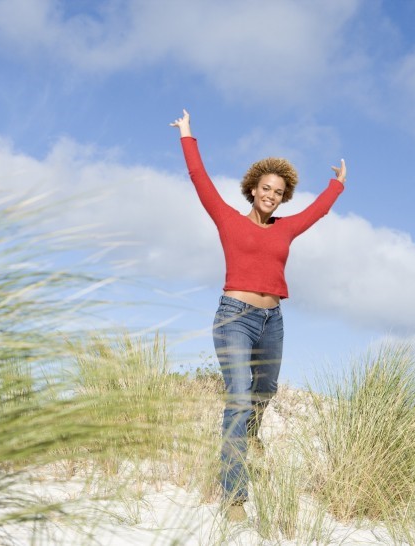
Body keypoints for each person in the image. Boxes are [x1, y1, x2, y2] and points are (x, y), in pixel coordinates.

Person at [170, 109, 346, 521]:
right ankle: (234, 497)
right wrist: (187, 135)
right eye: (265, 187)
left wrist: (336, 186)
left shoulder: (285, 228)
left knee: (264, 391)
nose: (270, 194)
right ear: (253, 189)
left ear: (284, 197)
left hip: (273, 320)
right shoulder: (228, 219)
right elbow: (201, 181)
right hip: (235, 316)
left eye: (278, 191)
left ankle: (252, 431)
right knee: (239, 397)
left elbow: (316, 212)